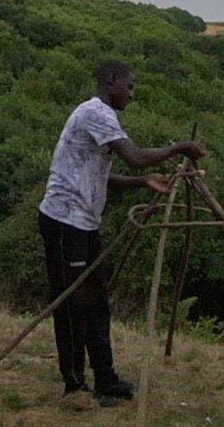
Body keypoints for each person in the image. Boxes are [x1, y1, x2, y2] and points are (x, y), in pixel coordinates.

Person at [38, 59, 207, 408]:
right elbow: (134, 157)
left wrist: (144, 183)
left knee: (96, 302)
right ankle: (75, 387)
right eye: (129, 87)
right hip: (63, 221)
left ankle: (106, 379)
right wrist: (178, 149)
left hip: (85, 222)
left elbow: (105, 176)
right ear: (111, 80)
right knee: (72, 304)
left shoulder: (105, 119)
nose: (132, 95)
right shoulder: (95, 112)